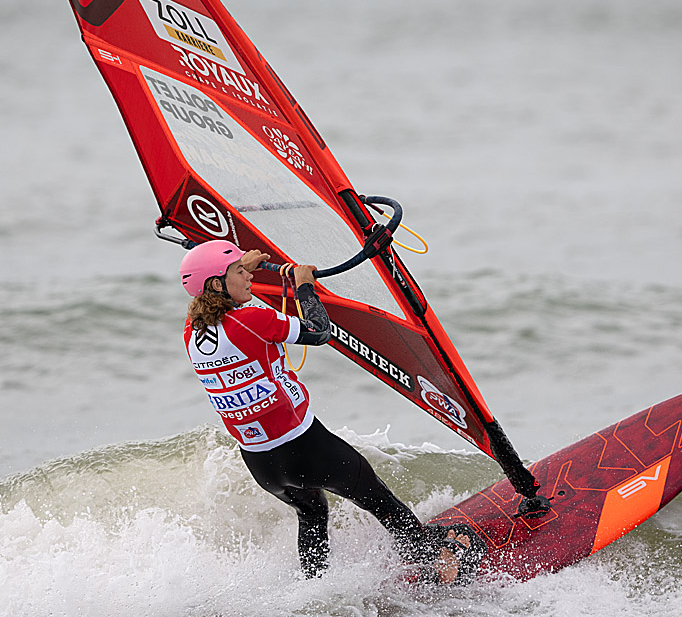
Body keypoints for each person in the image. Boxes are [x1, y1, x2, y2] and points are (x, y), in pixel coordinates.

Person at [180, 240, 470, 582]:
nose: (249, 279)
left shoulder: (192, 331)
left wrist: (241, 265)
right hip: (302, 446)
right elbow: (319, 332)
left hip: (261, 461)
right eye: (240, 273)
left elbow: (227, 304)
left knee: (312, 511)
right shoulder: (253, 319)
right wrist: (304, 285)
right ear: (217, 284)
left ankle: (315, 591)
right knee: (376, 496)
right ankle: (430, 559)